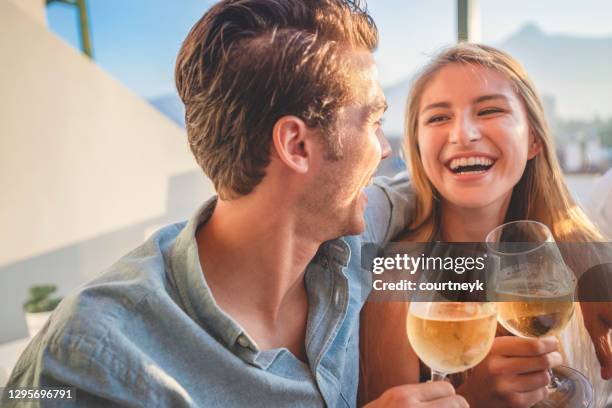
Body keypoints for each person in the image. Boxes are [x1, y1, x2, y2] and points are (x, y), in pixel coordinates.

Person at [5, 1, 467, 407]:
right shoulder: (89, 360)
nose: (384, 149)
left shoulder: (351, 236)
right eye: (372, 121)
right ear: (295, 145)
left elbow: (425, 193)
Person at [359, 43, 612, 408]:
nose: (463, 134)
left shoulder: (573, 260)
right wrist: (471, 400)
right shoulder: (399, 280)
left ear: (534, 140)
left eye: (490, 110)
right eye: (438, 118)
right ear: (417, 146)